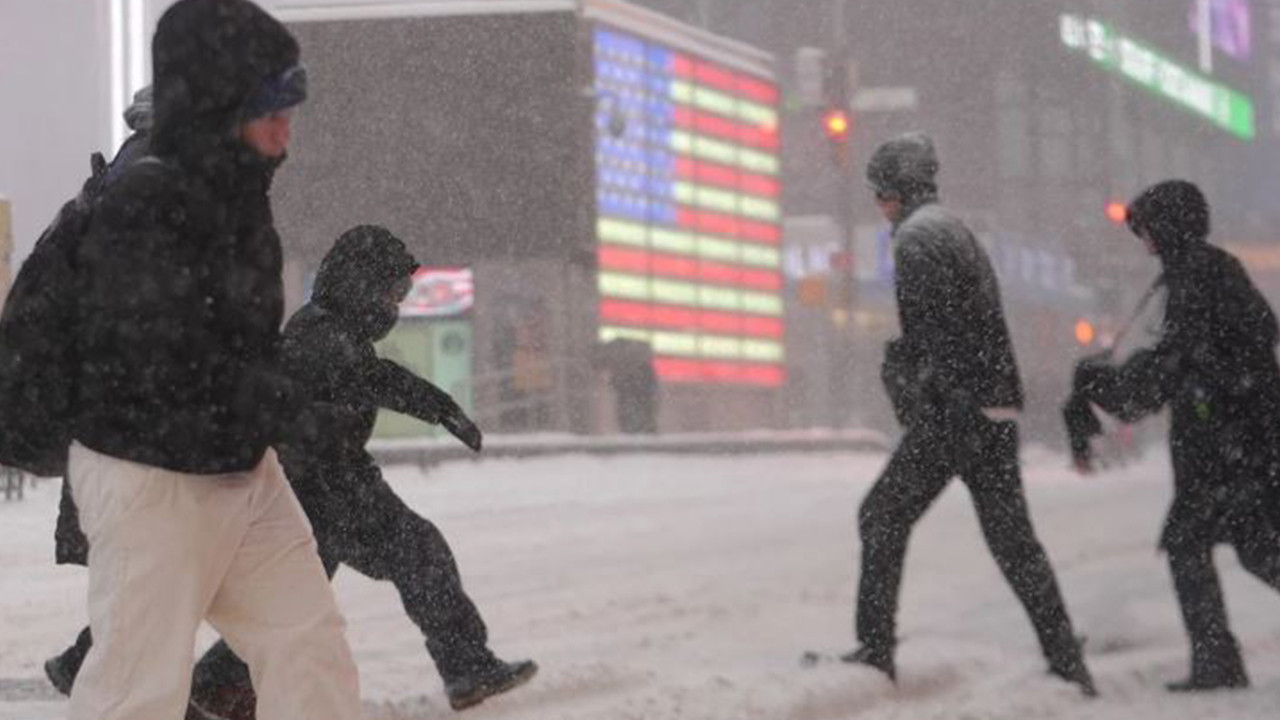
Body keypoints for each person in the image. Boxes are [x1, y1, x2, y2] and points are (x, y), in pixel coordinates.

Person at [50, 226, 537, 718]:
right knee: (374, 570)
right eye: (390, 292)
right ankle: (466, 665)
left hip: (324, 484)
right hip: (318, 486)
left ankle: (204, 687)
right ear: (359, 284)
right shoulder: (319, 334)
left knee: (275, 612)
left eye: (401, 294)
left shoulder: (332, 332)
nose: (394, 306)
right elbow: (366, 380)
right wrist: (435, 405)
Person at [61, 1, 366, 719]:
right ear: (219, 105)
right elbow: (167, 361)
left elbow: (237, 342)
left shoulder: (236, 191)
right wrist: (289, 408)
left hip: (240, 469)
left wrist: (278, 409)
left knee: (308, 647)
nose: (287, 128)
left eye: (292, 107)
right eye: (272, 109)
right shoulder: (146, 200)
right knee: (136, 690)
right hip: (151, 478)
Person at [842, 132, 1095, 696]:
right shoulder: (954, 230)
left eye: (879, 192)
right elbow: (970, 326)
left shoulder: (917, 239)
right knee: (1013, 541)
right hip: (993, 408)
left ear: (895, 190)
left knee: (881, 515)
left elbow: (937, 334)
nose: (878, 204)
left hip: (956, 412)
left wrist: (915, 380)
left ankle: (875, 652)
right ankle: (1065, 658)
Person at [1065, 180, 1280, 691]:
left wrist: (1101, 384)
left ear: (1168, 228)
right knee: (1250, 547)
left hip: (1231, 444)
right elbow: (1183, 362)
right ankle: (1216, 661)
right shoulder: (1204, 271)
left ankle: (1217, 662)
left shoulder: (1197, 275)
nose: (1144, 242)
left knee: (1201, 543)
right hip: (1239, 441)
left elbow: (1171, 370)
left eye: (1148, 230)